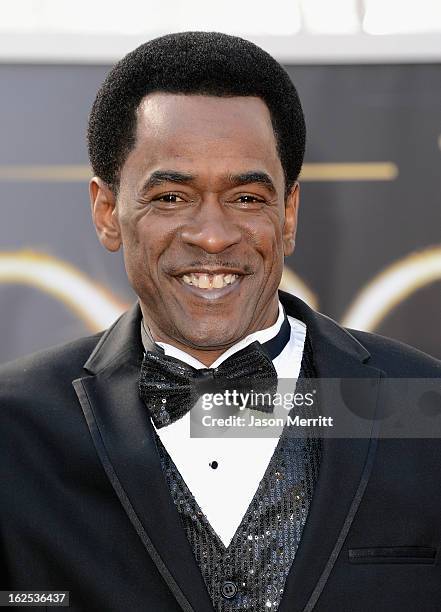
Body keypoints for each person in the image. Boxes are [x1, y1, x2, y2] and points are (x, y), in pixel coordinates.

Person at [1, 31, 440, 612]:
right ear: (107, 213)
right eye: (172, 198)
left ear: (288, 214)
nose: (212, 235)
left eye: (247, 198)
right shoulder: (15, 428)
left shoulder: (422, 406)